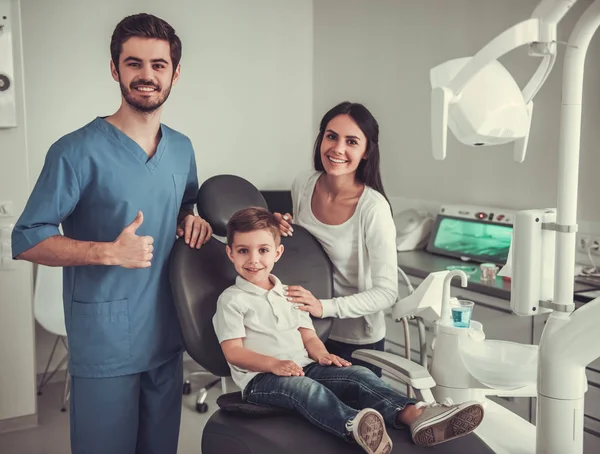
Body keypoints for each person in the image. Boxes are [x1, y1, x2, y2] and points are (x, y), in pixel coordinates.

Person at [11, 13, 211, 454]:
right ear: (115, 69)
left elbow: (181, 208)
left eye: (158, 65)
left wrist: (189, 220)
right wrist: (108, 252)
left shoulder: (181, 148)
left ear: (175, 73)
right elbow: (27, 238)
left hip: (167, 332)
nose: (146, 75)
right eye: (134, 63)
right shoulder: (75, 151)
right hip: (106, 341)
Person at [213, 207, 484, 453]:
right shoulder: (232, 300)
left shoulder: (289, 293)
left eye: (263, 250)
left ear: (277, 253)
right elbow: (234, 352)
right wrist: (274, 364)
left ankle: (414, 414)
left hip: (304, 365)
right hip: (261, 380)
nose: (254, 260)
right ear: (230, 253)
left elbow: (308, 336)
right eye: (243, 251)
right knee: (304, 389)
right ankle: (354, 427)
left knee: (358, 374)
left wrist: (322, 355)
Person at [275, 101, 397, 376]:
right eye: (331, 136)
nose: (337, 148)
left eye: (351, 141)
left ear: (366, 152)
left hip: (354, 340)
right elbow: (306, 251)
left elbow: (388, 292)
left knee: (357, 417)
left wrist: (325, 307)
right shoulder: (304, 184)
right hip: (305, 329)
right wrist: (278, 228)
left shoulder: (373, 208)